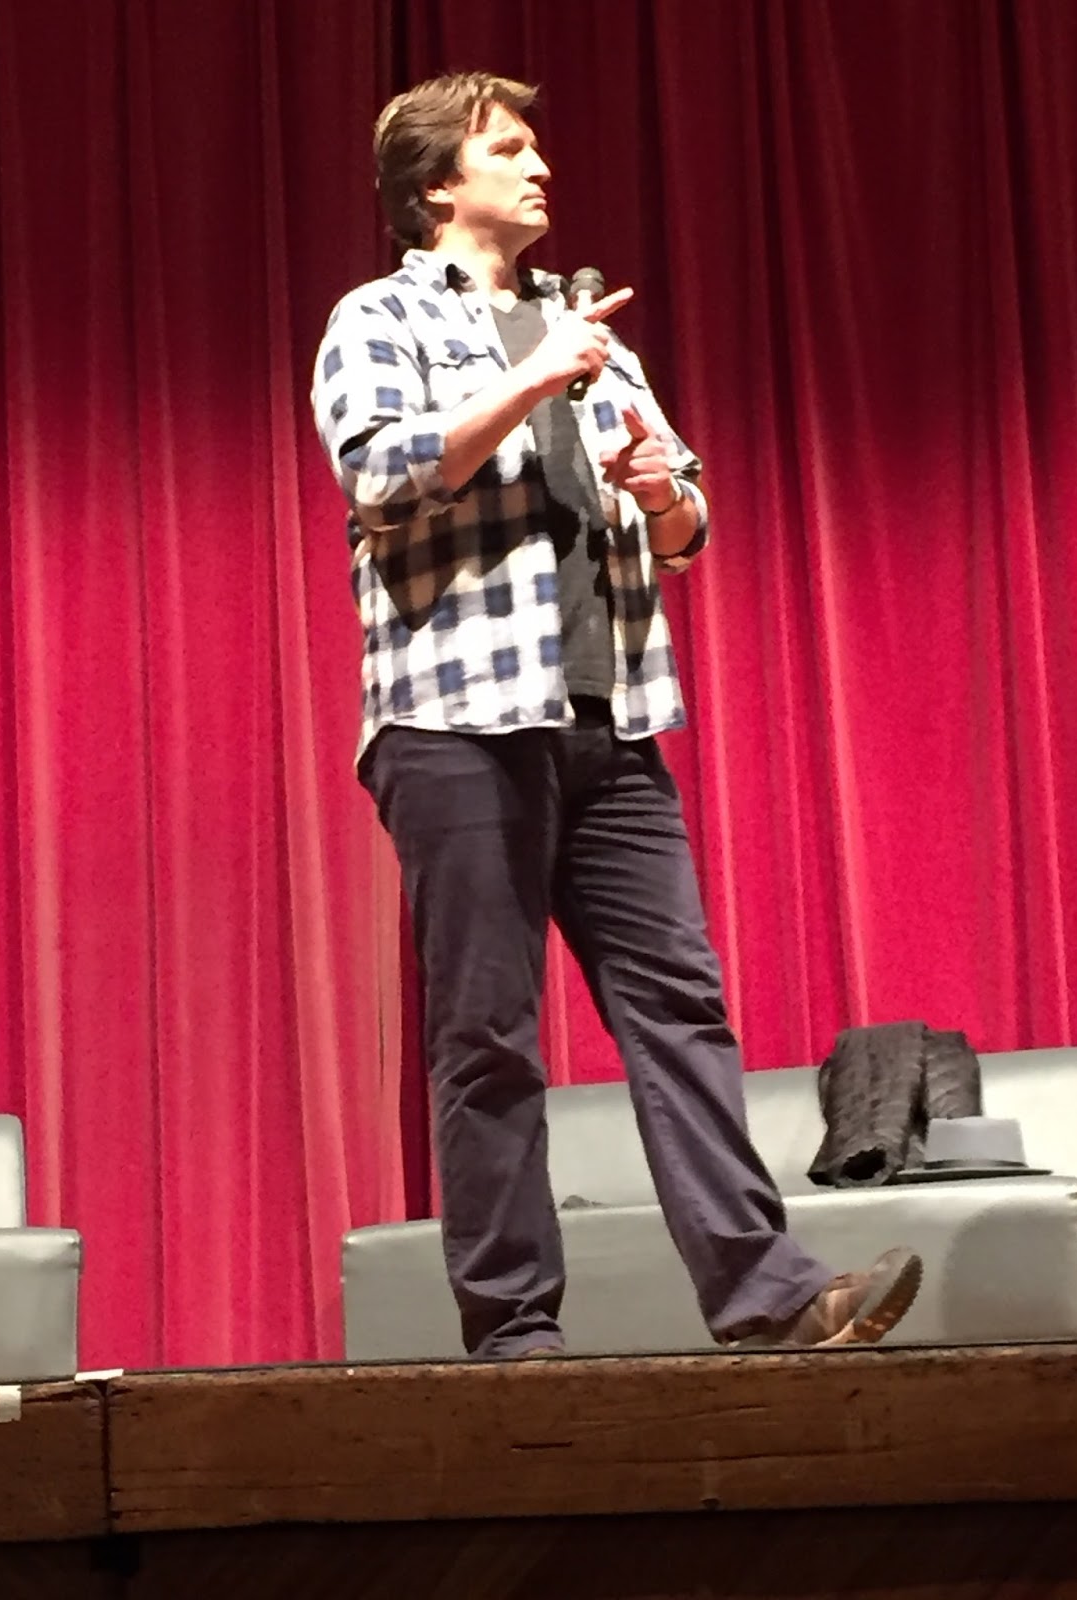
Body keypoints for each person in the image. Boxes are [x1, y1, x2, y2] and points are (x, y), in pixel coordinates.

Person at [311, 71, 922, 1359]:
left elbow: (688, 524)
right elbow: (377, 473)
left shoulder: (591, 333)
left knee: (682, 1010)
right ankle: (514, 1332)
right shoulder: (380, 316)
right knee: (488, 1037)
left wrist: (661, 490)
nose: (541, 167)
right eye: (509, 149)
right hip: (460, 721)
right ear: (438, 185)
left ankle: (770, 1297)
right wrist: (533, 380)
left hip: (613, 720)